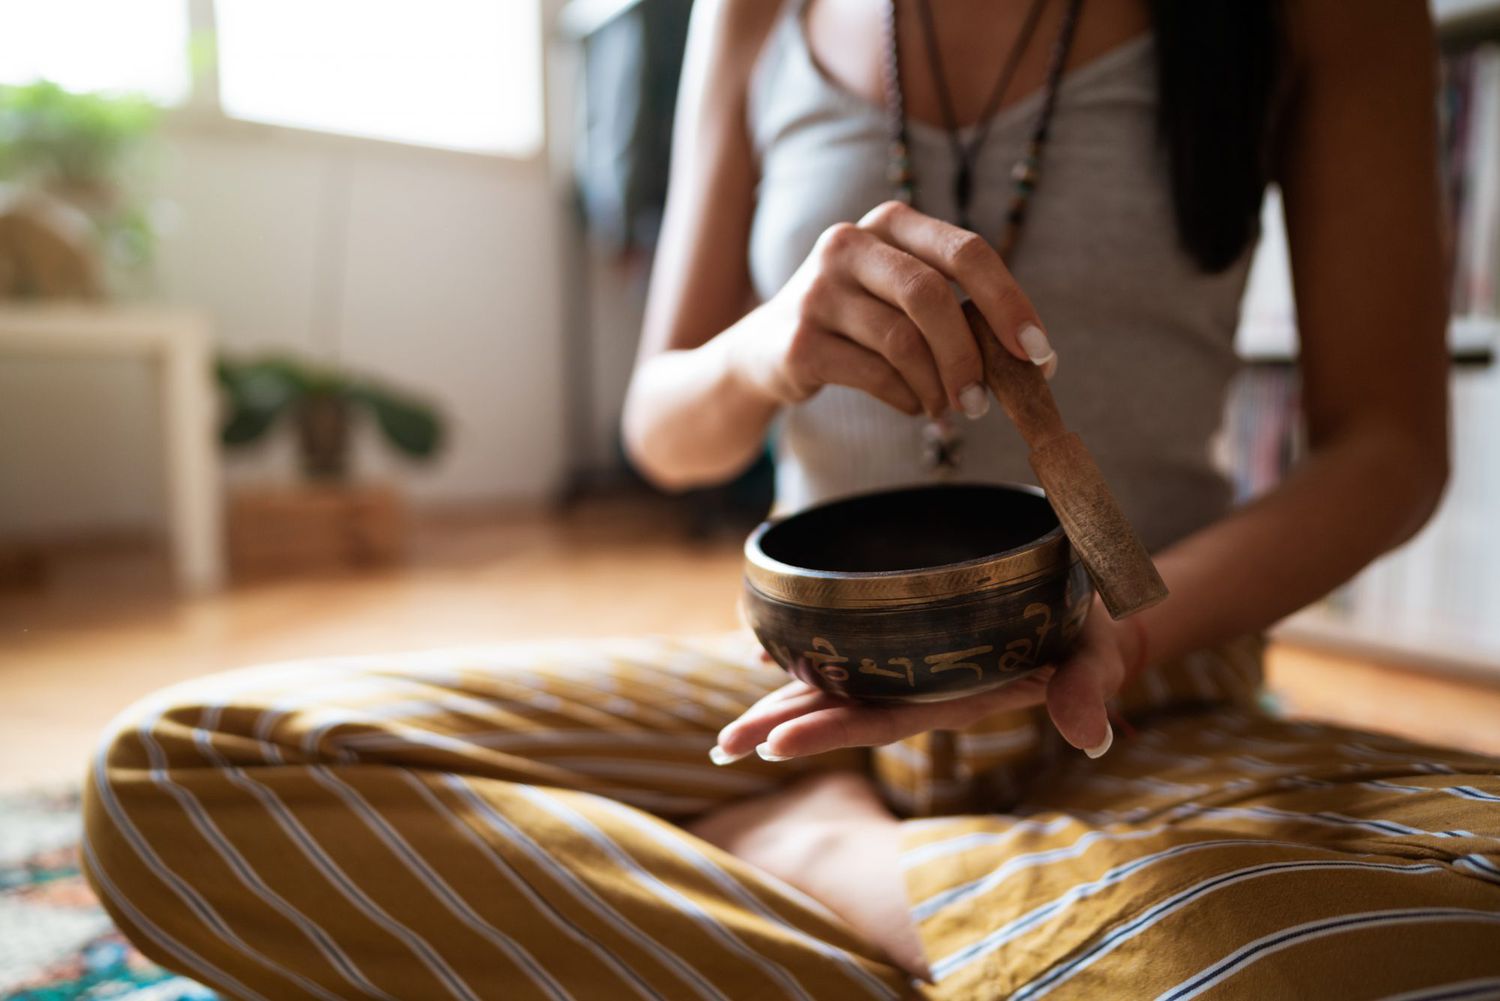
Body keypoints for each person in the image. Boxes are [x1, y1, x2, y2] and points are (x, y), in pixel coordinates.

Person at [84, 2, 1500, 998]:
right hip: (794, 700)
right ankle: (1012, 924)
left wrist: (1127, 629)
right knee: (180, 782)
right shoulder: (754, 7)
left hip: (1148, 685)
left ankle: (850, 879)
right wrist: (763, 347)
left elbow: (1387, 450)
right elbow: (667, 432)